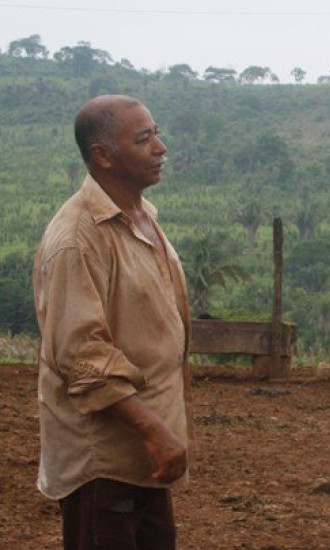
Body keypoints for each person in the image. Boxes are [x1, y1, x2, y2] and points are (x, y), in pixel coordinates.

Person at [32, 95, 191, 549]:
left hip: (143, 458)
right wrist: (155, 430)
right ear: (103, 156)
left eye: (156, 134)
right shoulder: (77, 240)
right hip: (105, 461)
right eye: (144, 140)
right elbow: (83, 356)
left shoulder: (142, 218)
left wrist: (158, 435)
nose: (160, 148)